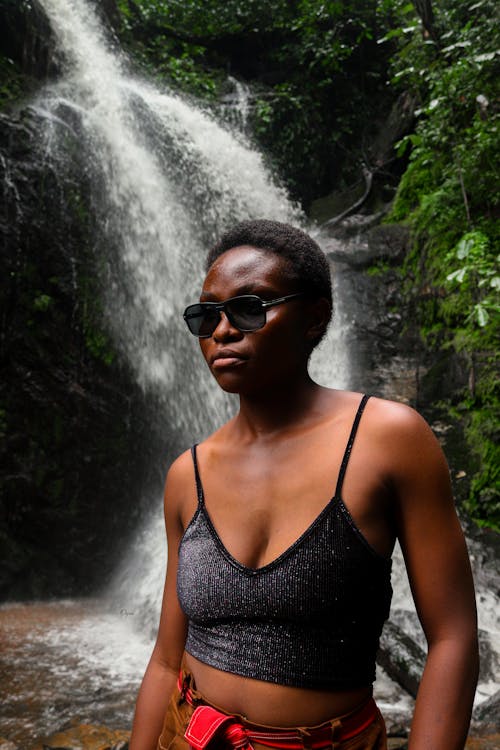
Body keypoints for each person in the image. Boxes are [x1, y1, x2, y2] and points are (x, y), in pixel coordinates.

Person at [129, 220, 479, 750]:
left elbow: (453, 638)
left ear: (315, 318)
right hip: (190, 736)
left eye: (251, 306)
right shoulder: (186, 474)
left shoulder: (387, 439)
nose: (223, 330)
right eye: (207, 315)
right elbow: (164, 660)